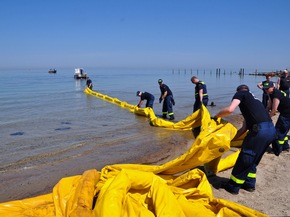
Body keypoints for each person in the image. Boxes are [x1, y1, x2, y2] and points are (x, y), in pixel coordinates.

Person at [214, 85, 276, 195]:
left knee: (245, 157)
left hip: (260, 131)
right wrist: (230, 140)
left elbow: (230, 109)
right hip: (270, 130)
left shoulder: (241, 93)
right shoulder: (254, 101)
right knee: (253, 159)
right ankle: (249, 184)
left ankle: (233, 186)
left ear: (238, 91)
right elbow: (244, 129)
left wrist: (216, 116)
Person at [263, 82, 290, 155]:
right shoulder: (271, 93)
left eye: (267, 88)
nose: (266, 90)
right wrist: (264, 114)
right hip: (285, 113)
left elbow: (274, 109)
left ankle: (277, 150)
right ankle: (285, 146)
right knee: (283, 131)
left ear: (272, 87)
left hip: (287, 114)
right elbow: (269, 106)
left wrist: (267, 118)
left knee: (278, 132)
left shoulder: (276, 95)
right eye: (265, 89)